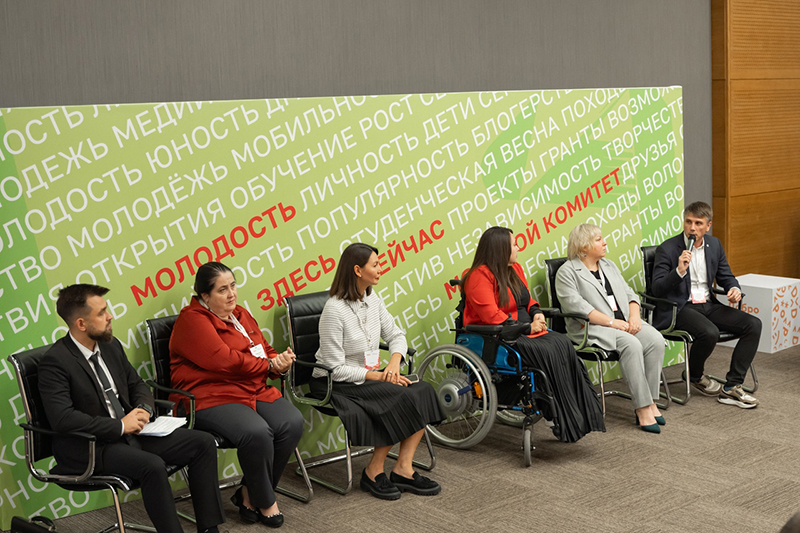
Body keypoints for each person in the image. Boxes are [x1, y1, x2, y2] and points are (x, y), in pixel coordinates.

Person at [38, 284, 224, 533]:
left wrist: (144, 408)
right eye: (102, 312)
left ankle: (209, 529)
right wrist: (119, 426)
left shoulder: (110, 346)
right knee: (152, 465)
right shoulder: (55, 362)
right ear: (81, 324)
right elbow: (63, 418)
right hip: (92, 447)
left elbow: (136, 384)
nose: (110, 316)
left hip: (131, 434)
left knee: (202, 443)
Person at [170, 262, 304, 529]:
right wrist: (267, 365)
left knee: (291, 422)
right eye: (222, 290)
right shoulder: (192, 320)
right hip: (209, 395)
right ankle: (265, 501)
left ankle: (248, 493)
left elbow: (263, 348)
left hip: (250, 388)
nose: (231, 294)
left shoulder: (240, 314)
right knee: (256, 431)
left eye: (233, 286)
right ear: (205, 296)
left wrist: (278, 362)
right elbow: (224, 360)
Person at [312, 243, 445, 500]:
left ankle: (403, 468)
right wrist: (378, 376)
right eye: (375, 265)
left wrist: (394, 362)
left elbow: (396, 335)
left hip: (370, 375)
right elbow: (333, 368)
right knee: (397, 396)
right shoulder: (334, 310)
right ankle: (373, 471)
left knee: (423, 391)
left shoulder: (371, 299)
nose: (381, 268)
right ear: (357, 270)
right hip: (335, 382)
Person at [464, 226, 606, 441]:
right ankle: (556, 415)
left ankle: (582, 415)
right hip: (500, 336)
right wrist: (526, 328)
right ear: (500, 248)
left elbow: (527, 300)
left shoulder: (515, 269)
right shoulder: (478, 276)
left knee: (563, 344)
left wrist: (537, 313)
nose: (518, 248)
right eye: (514, 244)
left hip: (526, 329)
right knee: (547, 352)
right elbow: (491, 315)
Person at [556, 224, 667, 433]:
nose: (605, 242)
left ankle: (651, 401)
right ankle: (642, 408)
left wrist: (634, 316)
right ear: (584, 246)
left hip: (623, 322)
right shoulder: (567, 272)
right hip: (592, 328)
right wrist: (612, 322)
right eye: (598, 239)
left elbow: (630, 293)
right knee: (632, 344)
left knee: (655, 340)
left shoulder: (608, 265)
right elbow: (578, 307)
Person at [652, 201, 761, 408]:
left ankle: (732, 387)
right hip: (680, 308)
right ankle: (694, 375)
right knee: (709, 332)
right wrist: (679, 271)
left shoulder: (714, 245)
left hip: (708, 304)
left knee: (753, 324)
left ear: (708, 226)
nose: (692, 228)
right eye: (688, 222)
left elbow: (726, 275)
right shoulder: (668, 248)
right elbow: (657, 289)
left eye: (698, 223)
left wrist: (734, 288)